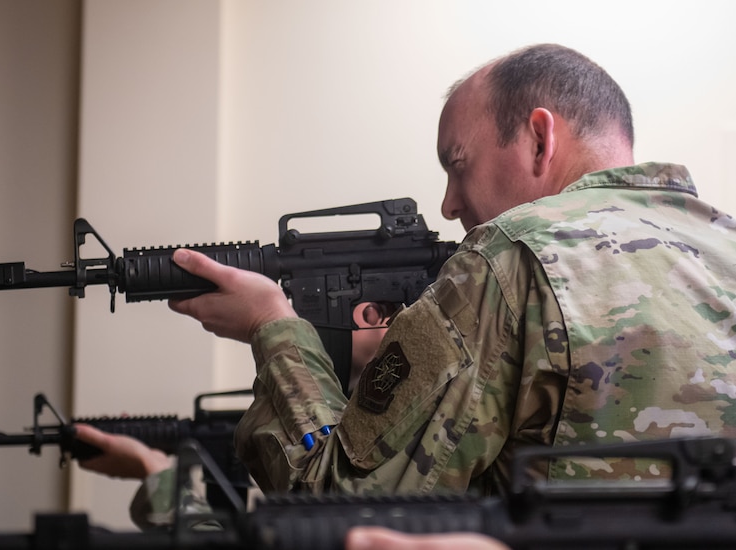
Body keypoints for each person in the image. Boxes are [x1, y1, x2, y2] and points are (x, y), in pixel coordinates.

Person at [77, 42, 736, 542]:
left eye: (457, 164)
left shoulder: (509, 257)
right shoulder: (724, 245)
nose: (449, 204)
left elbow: (336, 503)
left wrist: (273, 327)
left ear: (539, 136)